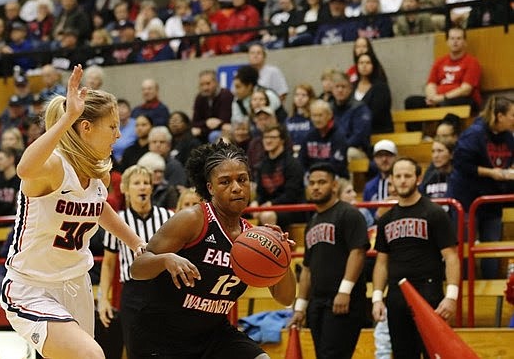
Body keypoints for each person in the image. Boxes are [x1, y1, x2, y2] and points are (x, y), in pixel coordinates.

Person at [0, 65, 146, 359]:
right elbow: (23, 169)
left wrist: (136, 243)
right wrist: (68, 118)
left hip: (77, 283)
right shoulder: (54, 166)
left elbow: (99, 208)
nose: (118, 134)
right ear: (86, 127)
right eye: (112, 126)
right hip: (32, 286)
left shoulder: (97, 174)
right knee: (92, 355)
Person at [128, 140, 296, 358]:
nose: (236, 187)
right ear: (210, 187)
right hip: (162, 336)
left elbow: (286, 299)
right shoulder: (193, 220)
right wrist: (165, 260)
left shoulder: (253, 238)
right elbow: (137, 269)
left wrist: (280, 252)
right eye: (225, 182)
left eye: (242, 180)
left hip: (213, 335)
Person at [372, 157, 460, 358]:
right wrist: (377, 298)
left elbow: (451, 257)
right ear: (391, 181)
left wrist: (451, 297)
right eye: (398, 176)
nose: (402, 181)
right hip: (396, 294)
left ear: (418, 179)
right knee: (403, 354)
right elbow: (381, 262)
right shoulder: (385, 219)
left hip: (428, 291)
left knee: (433, 352)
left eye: (408, 176)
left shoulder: (434, 213)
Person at [291, 162, 369, 359]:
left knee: (332, 355)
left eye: (322, 182)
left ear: (334, 185)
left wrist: (344, 291)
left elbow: (358, 252)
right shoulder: (312, 223)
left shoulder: (349, 213)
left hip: (343, 300)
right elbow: (307, 268)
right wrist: (301, 307)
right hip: (317, 302)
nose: (316, 187)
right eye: (312, 183)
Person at [98, 165, 174, 357]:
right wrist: (103, 299)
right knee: (136, 350)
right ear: (125, 188)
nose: (143, 187)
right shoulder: (117, 221)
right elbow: (108, 264)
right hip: (132, 292)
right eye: (137, 183)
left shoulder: (167, 217)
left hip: (164, 289)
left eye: (146, 183)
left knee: (168, 348)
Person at [447, 96, 513, 279]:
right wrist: (491, 172)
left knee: (491, 246)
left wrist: (507, 172)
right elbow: (461, 164)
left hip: (492, 199)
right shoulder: (474, 134)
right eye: (512, 115)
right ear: (499, 116)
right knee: (466, 246)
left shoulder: (508, 137)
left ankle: (490, 285)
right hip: (468, 199)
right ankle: (468, 286)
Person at [404, 26, 482, 113]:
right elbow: (430, 84)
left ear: (465, 42)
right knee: (412, 101)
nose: (455, 42)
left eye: (459, 38)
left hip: (464, 100)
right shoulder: (440, 61)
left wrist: (443, 98)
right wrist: (432, 97)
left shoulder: (472, 62)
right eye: (452, 38)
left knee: (446, 103)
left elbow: (465, 90)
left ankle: (444, 126)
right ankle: (417, 127)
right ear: (447, 42)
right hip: (440, 99)